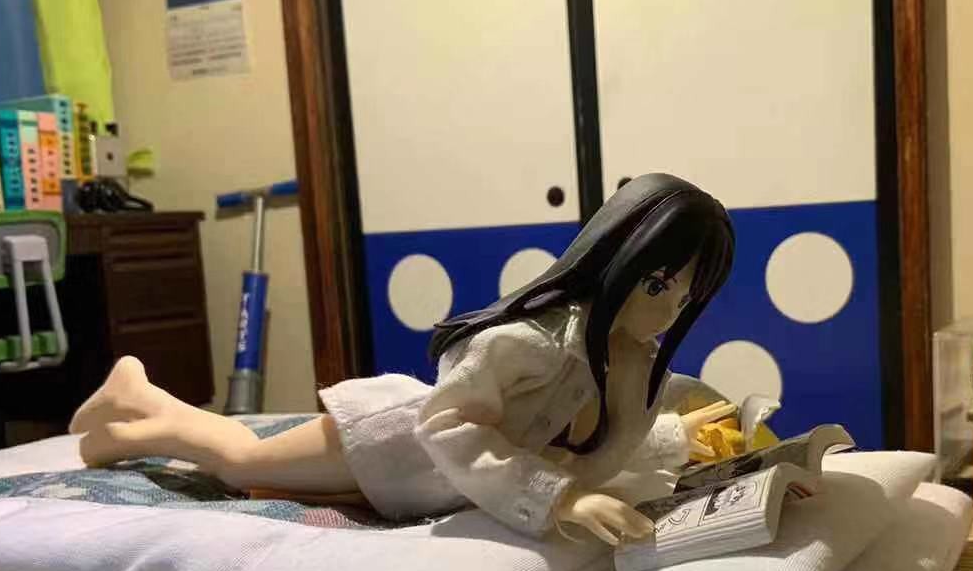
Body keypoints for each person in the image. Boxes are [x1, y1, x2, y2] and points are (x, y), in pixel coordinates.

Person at [70, 174, 737, 544]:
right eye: (657, 285)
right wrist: (559, 499)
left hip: (421, 487)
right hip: (391, 447)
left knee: (253, 468)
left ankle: (135, 416)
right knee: (242, 461)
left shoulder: (629, 360)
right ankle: (139, 405)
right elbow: (448, 424)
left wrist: (679, 439)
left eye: (685, 295)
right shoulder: (531, 341)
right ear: (614, 260)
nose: (669, 310)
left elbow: (596, 444)